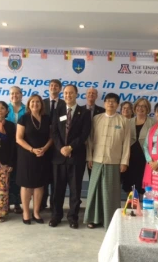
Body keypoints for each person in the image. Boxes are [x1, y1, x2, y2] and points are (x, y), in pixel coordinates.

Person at [84, 93, 130, 229]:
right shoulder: (96, 119)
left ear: (117, 105)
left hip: (114, 161)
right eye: (108, 101)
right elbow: (90, 140)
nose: (110, 104)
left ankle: (109, 221)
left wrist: (124, 161)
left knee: (110, 192)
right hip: (97, 160)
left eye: (114, 102)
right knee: (94, 191)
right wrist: (89, 157)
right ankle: (93, 218)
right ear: (104, 103)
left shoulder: (123, 121)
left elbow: (126, 143)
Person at [50, 85, 91, 229]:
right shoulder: (58, 111)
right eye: (66, 93)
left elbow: (84, 134)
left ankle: (73, 217)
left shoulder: (84, 112)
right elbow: (54, 132)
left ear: (76, 94)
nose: (68, 95)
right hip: (59, 157)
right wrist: (61, 148)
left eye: (71, 93)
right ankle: (56, 216)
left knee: (75, 190)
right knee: (57, 190)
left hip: (76, 157)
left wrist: (71, 147)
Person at [16, 94, 53, 224]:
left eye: (38, 102)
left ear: (41, 105)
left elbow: (51, 137)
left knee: (39, 185)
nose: (35, 104)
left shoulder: (47, 118)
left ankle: (36, 212)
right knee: (26, 185)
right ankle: (26, 212)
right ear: (29, 104)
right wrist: (32, 149)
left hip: (43, 155)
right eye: (32, 102)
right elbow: (18, 138)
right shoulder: (24, 118)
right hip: (27, 155)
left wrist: (44, 148)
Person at [41, 79, 66, 211]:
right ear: (48, 88)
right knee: (43, 175)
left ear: (60, 89)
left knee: (56, 178)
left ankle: (53, 204)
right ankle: (41, 203)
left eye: (56, 86)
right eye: (51, 85)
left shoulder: (64, 103)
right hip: (43, 144)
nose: (53, 87)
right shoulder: (42, 103)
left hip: (58, 146)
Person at [122, 98, 154, 194]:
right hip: (130, 159)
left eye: (143, 106)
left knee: (144, 187)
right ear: (135, 108)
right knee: (130, 186)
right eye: (138, 106)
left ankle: (143, 208)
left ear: (147, 108)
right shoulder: (128, 121)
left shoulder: (153, 122)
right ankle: (132, 207)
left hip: (146, 159)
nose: (140, 108)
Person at [6, 86, 25, 214]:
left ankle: (18, 203)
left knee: (19, 175)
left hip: (23, 146)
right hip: (7, 146)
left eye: (17, 93)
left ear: (21, 95)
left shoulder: (27, 108)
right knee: (7, 175)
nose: (14, 96)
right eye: (12, 93)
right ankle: (6, 203)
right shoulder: (4, 108)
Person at [82, 87, 105, 178]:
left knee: (94, 176)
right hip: (82, 145)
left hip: (96, 146)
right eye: (89, 93)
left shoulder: (103, 111)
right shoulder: (79, 109)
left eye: (93, 93)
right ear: (86, 95)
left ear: (96, 96)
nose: (91, 94)